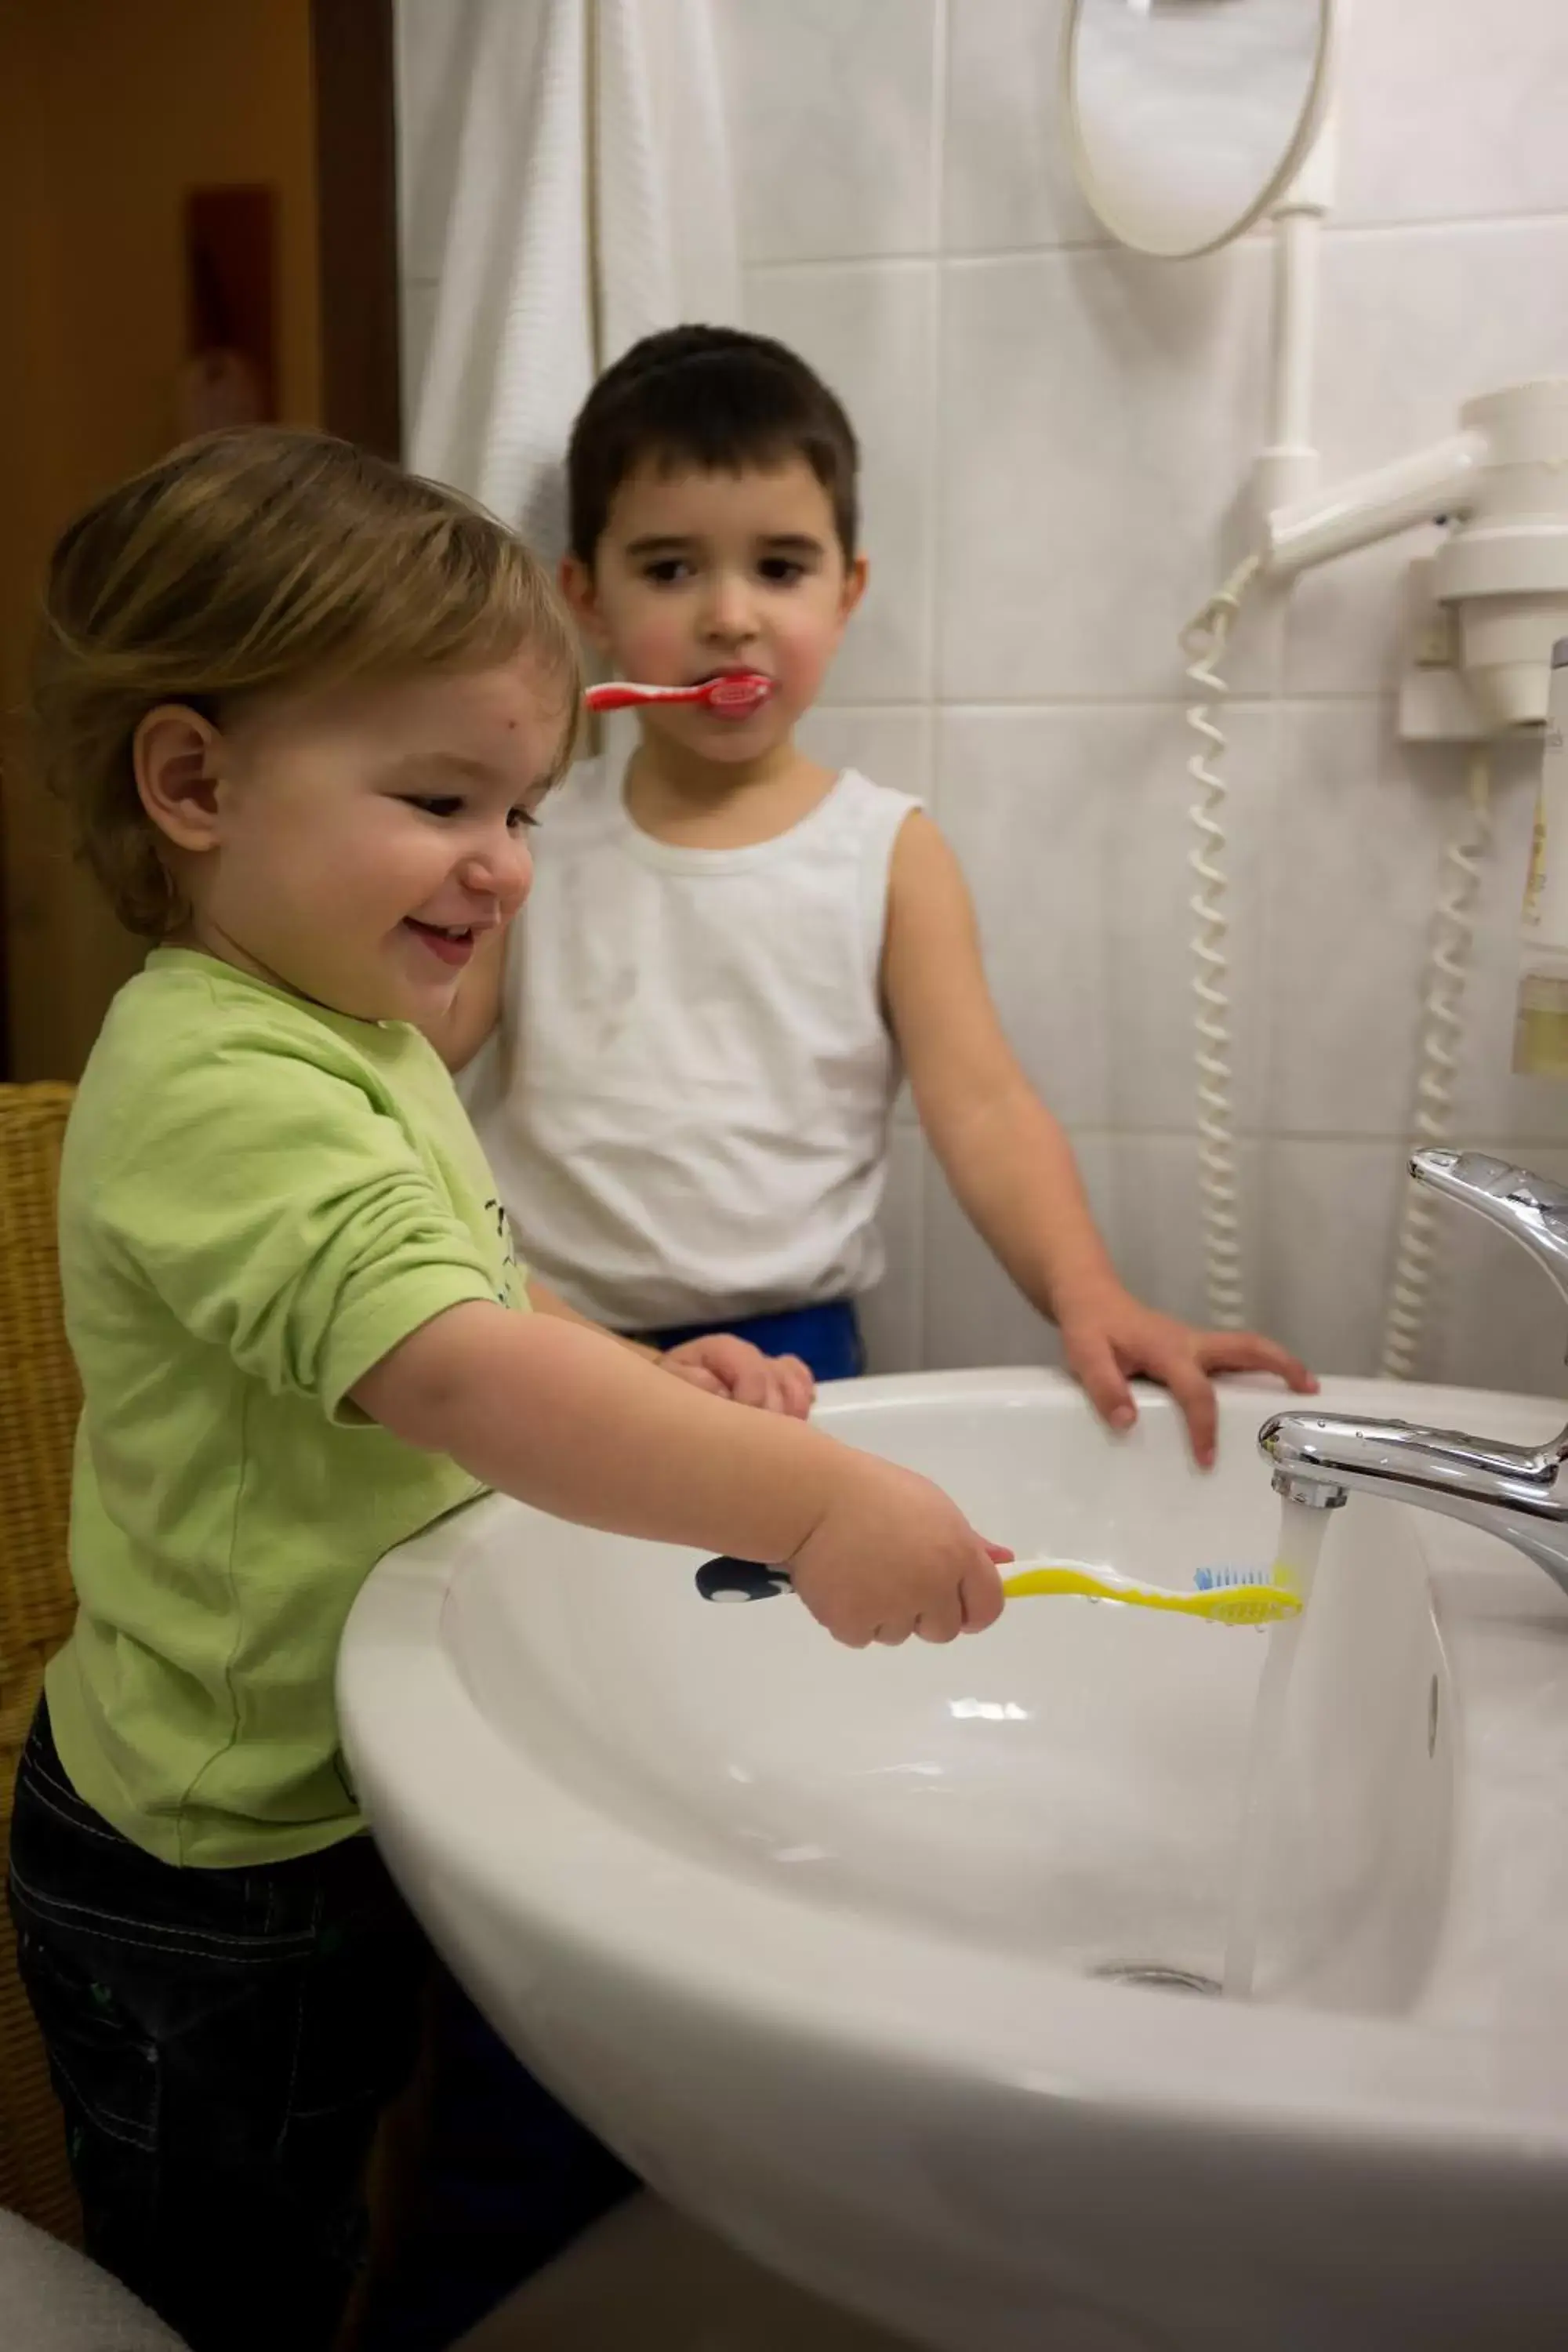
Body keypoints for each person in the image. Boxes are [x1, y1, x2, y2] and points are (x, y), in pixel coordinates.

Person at [6, 426, 1009, 2352]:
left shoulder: (345, 1027)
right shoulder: (217, 1085)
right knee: (234, 2282)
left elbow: (479, 1285)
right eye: (441, 796)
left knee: (331, 2203)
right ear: (195, 780)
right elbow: (455, 1373)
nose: (504, 865)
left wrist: (637, 1364)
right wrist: (798, 1502)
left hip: (324, 1789)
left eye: (526, 808)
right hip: (218, 1866)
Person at [438, 325, 1317, 1462]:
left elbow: (986, 1108)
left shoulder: (886, 851)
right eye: (669, 568)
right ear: (585, 598)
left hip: (799, 1360)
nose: (729, 615)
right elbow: (426, 1048)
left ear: (847, 594)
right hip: (552, 1337)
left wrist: (1089, 1293)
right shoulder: (533, 840)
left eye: (781, 567)